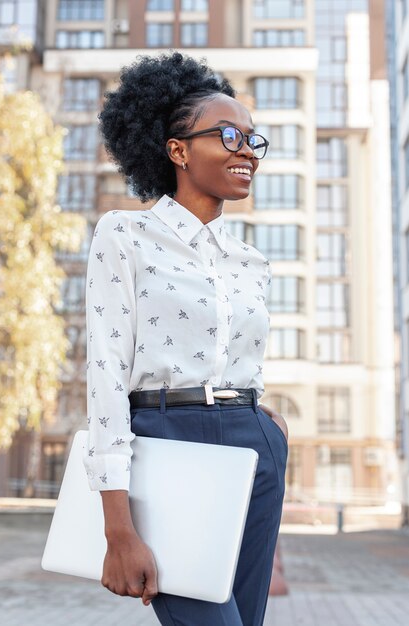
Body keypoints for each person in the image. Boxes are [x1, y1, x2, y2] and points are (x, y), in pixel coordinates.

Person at [83, 50, 288, 626]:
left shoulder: (250, 260)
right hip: (166, 440)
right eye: (228, 135)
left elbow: (242, 359)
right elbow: (104, 374)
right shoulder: (125, 234)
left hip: (254, 445)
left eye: (253, 139)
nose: (246, 150)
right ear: (177, 150)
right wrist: (117, 526)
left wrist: (265, 423)